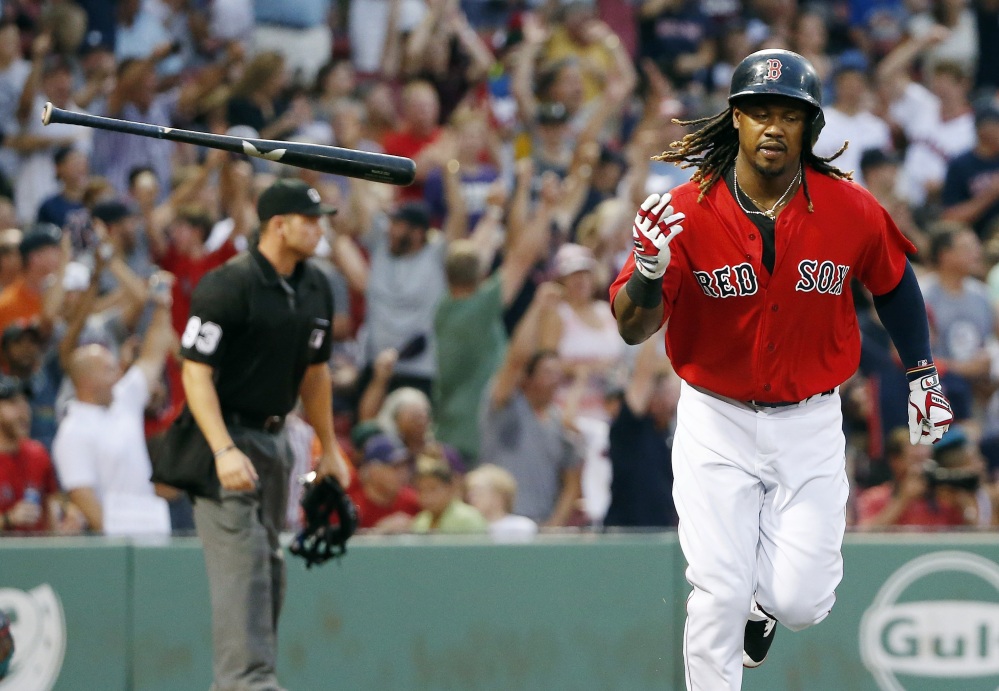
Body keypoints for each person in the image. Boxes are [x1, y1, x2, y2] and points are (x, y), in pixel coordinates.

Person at [609, 49, 954, 688]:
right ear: (735, 120)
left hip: (811, 420)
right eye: (759, 112)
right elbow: (632, 326)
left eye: (789, 116)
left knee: (802, 600)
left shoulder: (849, 208)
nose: (773, 127)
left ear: (810, 128)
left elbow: (896, 282)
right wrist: (651, 276)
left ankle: (763, 609)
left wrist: (922, 372)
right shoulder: (686, 211)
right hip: (716, 418)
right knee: (717, 589)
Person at [180, 178, 350, 691]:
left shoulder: (316, 284)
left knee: (270, 566)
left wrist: (331, 447)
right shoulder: (227, 284)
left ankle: (244, 682)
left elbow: (315, 374)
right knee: (245, 564)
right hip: (223, 438)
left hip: (277, 441)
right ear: (278, 224)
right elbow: (195, 372)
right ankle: (249, 683)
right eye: (310, 219)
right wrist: (223, 448)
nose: (319, 230)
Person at [52, 272, 176, 536]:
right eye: (109, 369)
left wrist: (162, 305)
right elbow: (83, 498)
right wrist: (116, 545)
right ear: (87, 380)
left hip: (150, 527)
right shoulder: (73, 431)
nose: (118, 373)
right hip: (112, 543)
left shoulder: (124, 400)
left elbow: (153, 354)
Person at [856, 426, 972, 528]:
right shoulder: (875, 498)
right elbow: (864, 535)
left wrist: (963, 505)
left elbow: (972, 534)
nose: (923, 467)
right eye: (916, 460)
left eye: (926, 460)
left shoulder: (944, 500)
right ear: (895, 461)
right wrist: (902, 500)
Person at [346, 432, 420, 532]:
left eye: (405, 467)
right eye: (395, 467)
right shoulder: (350, 506)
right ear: (373, 471)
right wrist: (377, 532)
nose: (403, 473)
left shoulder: (414, 501)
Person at [410, 457, 488, 534]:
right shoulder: (420, 521)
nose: (426, 496)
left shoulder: (468, 518)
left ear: (450, 488)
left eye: (433, 489)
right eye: (421, 490)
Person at [464, 463, 538, 541]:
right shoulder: (468, 527)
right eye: (470, 493)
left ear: (498, 496)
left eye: (478, 492)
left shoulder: (521, 527)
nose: (472, 498)